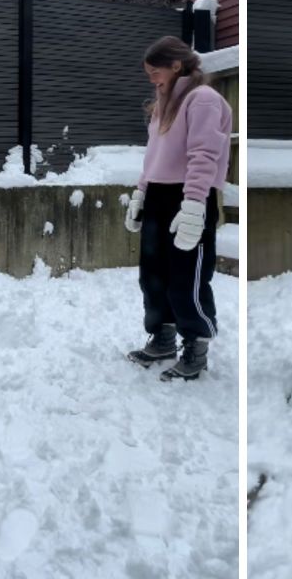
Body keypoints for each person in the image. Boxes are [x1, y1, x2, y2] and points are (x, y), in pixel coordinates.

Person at [124, 36, 233, 381]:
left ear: (176, 65)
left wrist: (194, 204)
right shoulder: (162, 104)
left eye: (155, 72)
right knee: (153, 275)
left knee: (187, 278)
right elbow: (153, 157)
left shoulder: (203, 100)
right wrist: (141, 194)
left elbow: (204, 155)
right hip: (158, 195)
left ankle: (196, 348)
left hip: (188, 198)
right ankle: (163, 338)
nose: (152, 79)